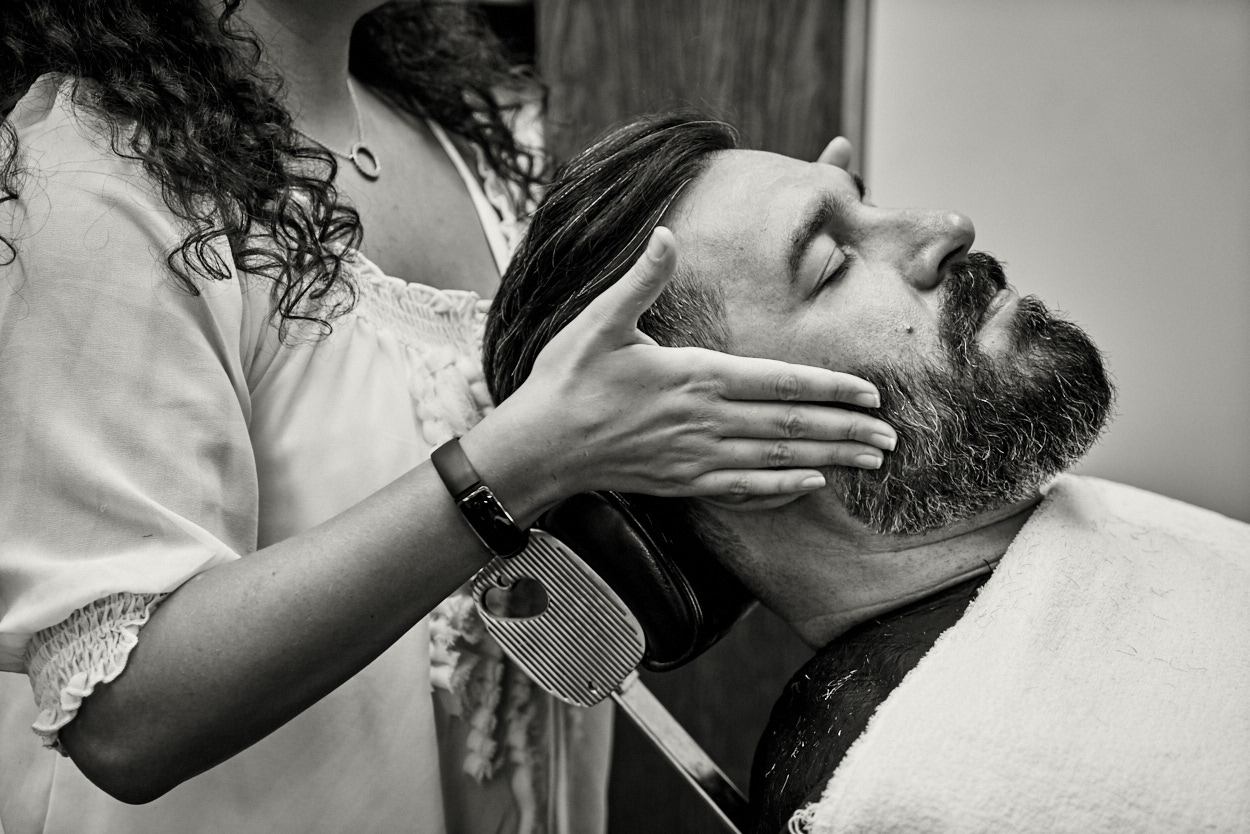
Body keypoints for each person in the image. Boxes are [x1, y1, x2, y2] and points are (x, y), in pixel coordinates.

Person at [0, 4, 896, 833]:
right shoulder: (91, 182)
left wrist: (795, 286)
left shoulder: (446, 126)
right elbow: (122, 720)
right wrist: (521, 461)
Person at [483, 112, 1250, 834]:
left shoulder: (1090, 541)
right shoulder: (919, 796)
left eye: (866, 203)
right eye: (831, 263)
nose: (947, 229)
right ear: (699, 444)